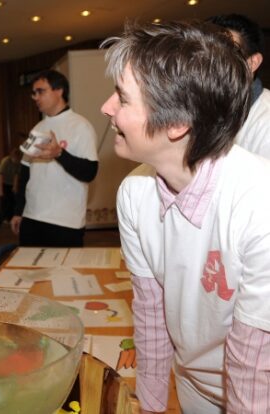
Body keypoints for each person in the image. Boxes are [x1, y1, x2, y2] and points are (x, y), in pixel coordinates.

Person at [100, 21, 270, 413]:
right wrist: (151, 405)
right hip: (193, 383)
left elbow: (251, 365)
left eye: (123, 99)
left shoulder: (258, 204)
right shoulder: (134, 193)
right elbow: (151, 312)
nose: (107, 107)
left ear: (177, 124)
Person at [11, 69, 98, 247]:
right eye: (33, 93)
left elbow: (89, 172)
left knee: (62, 275)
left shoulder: (81, 126)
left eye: (40, 91)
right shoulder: (38, 127)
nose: (35, 97)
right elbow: (25, 174)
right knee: (30, 274)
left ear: (59, 91)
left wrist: (59, 154)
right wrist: (18, 211)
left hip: (64, 222)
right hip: (31, 218)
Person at [209, 14, 270, 158]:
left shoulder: (266, 123)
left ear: (252, 63)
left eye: (227, 53)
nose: (211, 63)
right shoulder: (207, 109)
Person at [0, 147, 21, 222]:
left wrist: (15, 186)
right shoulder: (6, 161)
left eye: (17, 159)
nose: (16, 160)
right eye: (15, 158)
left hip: (10, 182)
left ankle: (11, 217)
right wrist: (0, 190)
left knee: (12, 199)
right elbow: (1, 175)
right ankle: (4, 218)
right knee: (5, 200)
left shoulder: (18, 163)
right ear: (12, 156)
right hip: (1, 181)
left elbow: (16, 175)